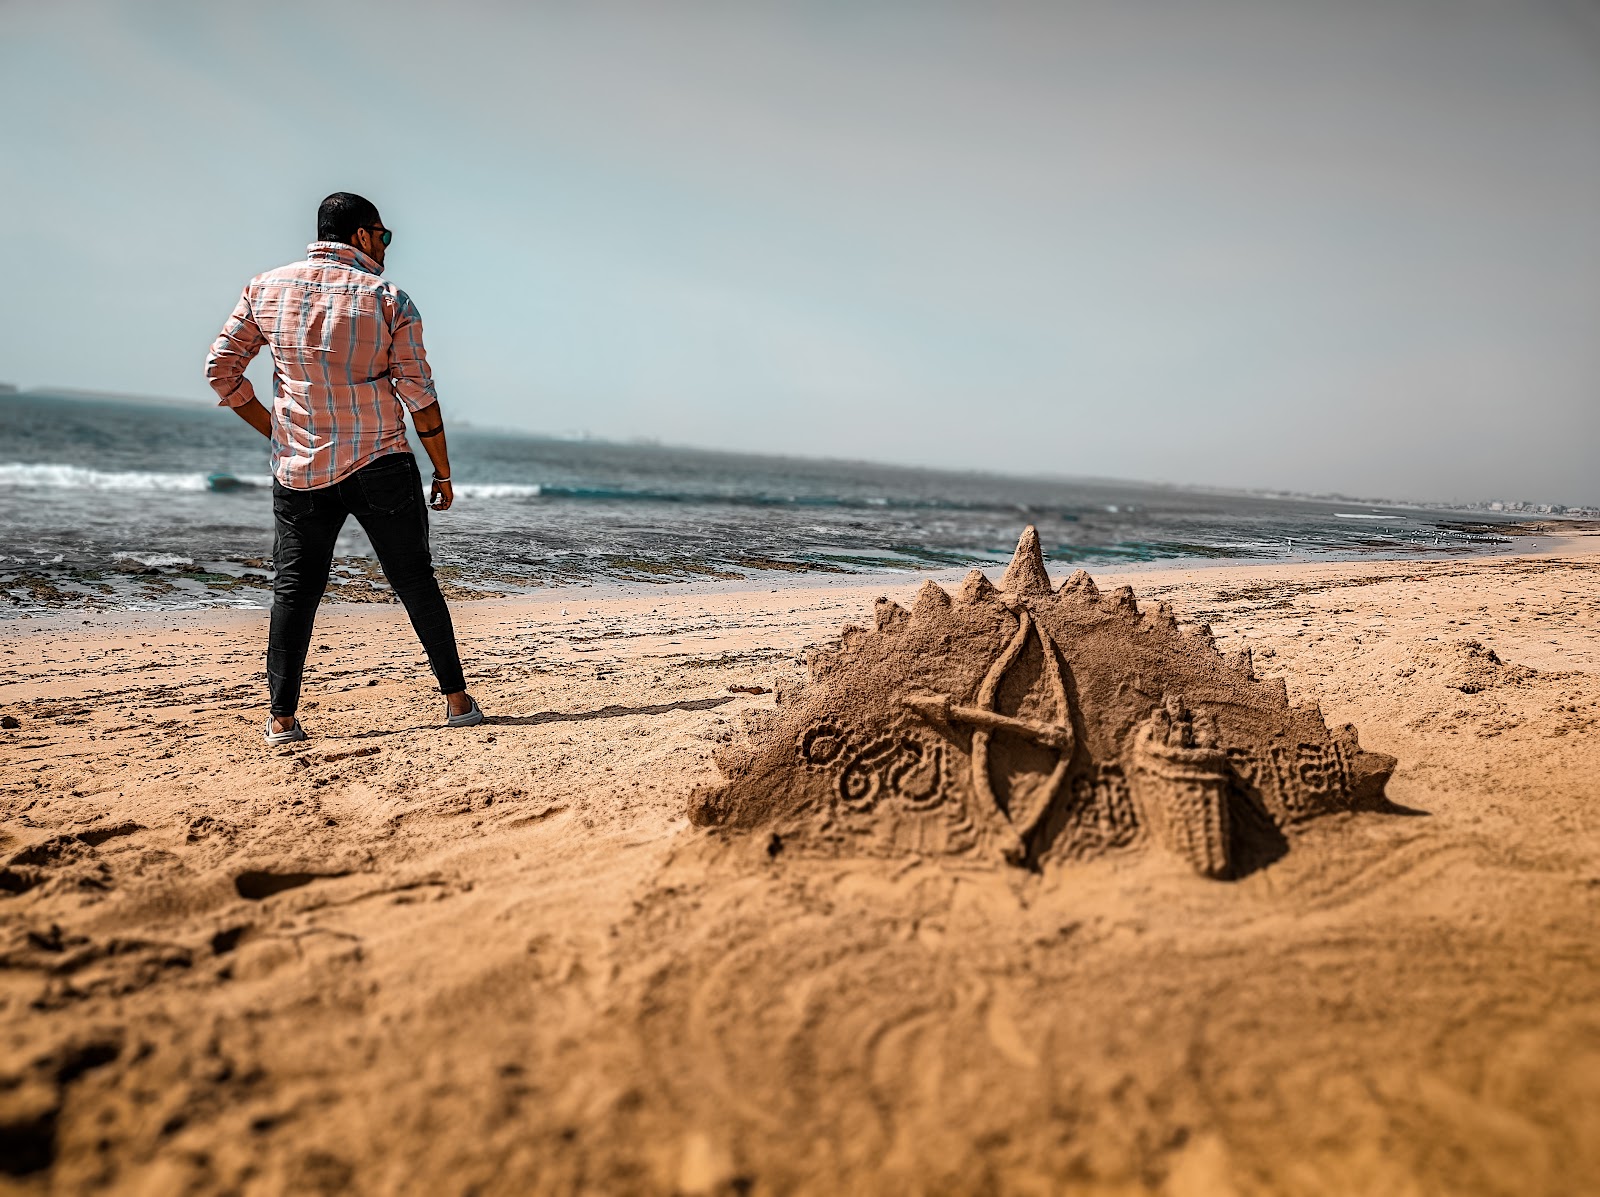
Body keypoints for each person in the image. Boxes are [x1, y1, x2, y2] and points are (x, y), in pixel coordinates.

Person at [205, 192, 483, 744]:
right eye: (383, 235)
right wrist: (443, 471)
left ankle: (282, 718)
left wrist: (276, 428)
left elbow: (221, 370)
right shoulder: (389, 299)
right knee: (414, 581)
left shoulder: (264, 288)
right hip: (379, 458)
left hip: (300, 467)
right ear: (361, 235)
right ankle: (456, 702)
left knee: (295, 590)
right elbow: (418, 394)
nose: (385, 245)